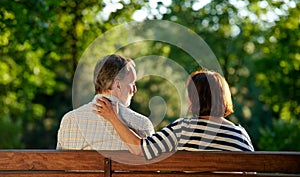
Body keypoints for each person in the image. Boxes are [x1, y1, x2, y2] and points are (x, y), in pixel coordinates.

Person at [94, 69, 254, 160]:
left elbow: (140, 149)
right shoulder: (240, 134)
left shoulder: (183, 129)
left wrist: (113, 118)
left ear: (193, 98)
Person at [56, 54, 155, 150]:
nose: (134, 89)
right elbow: (151, 163)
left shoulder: (69, 120)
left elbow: (60, 164)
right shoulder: (142, 124)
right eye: (132, 83)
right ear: (118, 85)